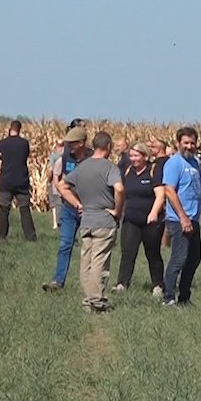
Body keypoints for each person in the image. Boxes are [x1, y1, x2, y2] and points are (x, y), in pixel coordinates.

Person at [57, 131, 124, 312]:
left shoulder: (82, 167)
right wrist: (117, 211)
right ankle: (97, 300)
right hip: (104, 220)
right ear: (108, 147)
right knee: (99, 261)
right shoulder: (110, 168)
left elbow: (61, 185)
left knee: (86, 261)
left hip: (86, 220)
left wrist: (77, 204)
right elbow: (119, 189)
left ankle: (87, 300)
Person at [113, 142, 166, 295]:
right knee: (128, 252)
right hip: (131, 219)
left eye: (136, 156)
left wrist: (154, 213)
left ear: (145, 156)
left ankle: (158, 285)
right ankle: (122, 283)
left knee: (153, 253)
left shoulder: (152, 171)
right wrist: (118, 211)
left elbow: (160, 195)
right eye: (131, 156)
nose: (133, 159)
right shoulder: (128, 171)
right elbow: (121, 193)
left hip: (150, 221)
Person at [42, 125, 90, 291]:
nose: (69, 145)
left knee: (89, 247)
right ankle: (58, 280)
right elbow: (60, 178)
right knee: (65, 244)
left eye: (73, 143)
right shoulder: (66, 157)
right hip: (69, 207)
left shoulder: (92, 158)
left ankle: (89, 284)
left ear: (82, 143)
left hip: (88, 209)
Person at [161, 126, 201, 306]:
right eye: (185, 143)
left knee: (194, 259)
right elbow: (169, 191)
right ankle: (169, 297)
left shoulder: (194, 163)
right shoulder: (174, 163)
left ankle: (184, 297)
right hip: (180, 219)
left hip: (193, 218)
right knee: (179, 259)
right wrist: (183, 217)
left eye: (192, 143)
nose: (189, 146)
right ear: (178, 143)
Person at [0, 120, 37, 241]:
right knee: (24, 209)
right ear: (20, 129)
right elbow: (26, 155)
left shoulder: (2, 143)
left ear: (10, 129)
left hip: (6, 180)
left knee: (3, 209)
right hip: (21, 180)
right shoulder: (24, 143)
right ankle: (30, 236)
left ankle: (1, 235)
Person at [47, 136, 64, 229]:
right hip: (66, 182)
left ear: (56, 145)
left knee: (54, 203)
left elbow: (50, 169)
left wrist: (49, 179)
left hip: (55, 182)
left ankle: (55, 223)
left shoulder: (54, 156)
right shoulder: (67, 155)